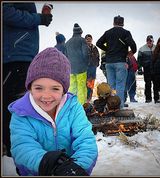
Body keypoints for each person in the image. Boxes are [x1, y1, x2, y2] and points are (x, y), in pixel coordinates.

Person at [8, 47, 98, 176]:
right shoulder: (21, 113)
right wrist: (50, 164)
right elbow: (22, 147)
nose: (46, 96)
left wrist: (77, 168)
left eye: (55, 89)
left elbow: (85, 140)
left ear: (64, 90)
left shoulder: (73, 107)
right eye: (39, 88)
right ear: (30, 88)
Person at [3, 2, 53, 157]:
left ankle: (18, 151)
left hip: (22, 57)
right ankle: (15, 154)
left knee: (19, 106)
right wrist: (38, 18)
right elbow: (4, 11)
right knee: (15, 108)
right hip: (14, 57)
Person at [96, 15, 137, 108]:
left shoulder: (108, 32)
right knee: (120, 86)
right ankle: (119, 106)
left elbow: (98, 43)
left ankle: (111, 106)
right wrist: (130, 52)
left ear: (113, 23)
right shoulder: (126, 33)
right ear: (123, 23)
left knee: (111, 86)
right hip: (120, 62)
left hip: (109, 63)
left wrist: (108, 49)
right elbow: (134, 46)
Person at [65, 23, 89, 105]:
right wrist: (86, 64)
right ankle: (81, 106)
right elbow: (86, 53)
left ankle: (72, 105)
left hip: (71, 69)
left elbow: (65, 56)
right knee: (81, 87)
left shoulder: (67, 42)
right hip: (81, 69)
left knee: (72, 88)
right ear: (80, 32)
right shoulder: (82, 40)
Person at [137, 35, 156, 103]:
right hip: (147, 69)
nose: (149, 42)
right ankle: (148, 99)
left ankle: (157, 98)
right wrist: (139, 68)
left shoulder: (156, 48)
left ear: (153, 41)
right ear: (146, 41)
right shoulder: (142, 49)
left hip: (155, 69)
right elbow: (139, 60)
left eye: (150, 41)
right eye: (148, 41)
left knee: (156, 84)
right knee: (148, 84)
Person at [85, 34, 100, 102]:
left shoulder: (94, 47)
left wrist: (97, 64)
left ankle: (89, 98)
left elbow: (98, 57)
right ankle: (85, 98)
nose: (89, 41)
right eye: (87, 39)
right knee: (85, 84)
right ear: (85, 40)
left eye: (90, 39)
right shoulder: (83, 47)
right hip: (86, 68)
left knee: (91, 84)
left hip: (93, 68)